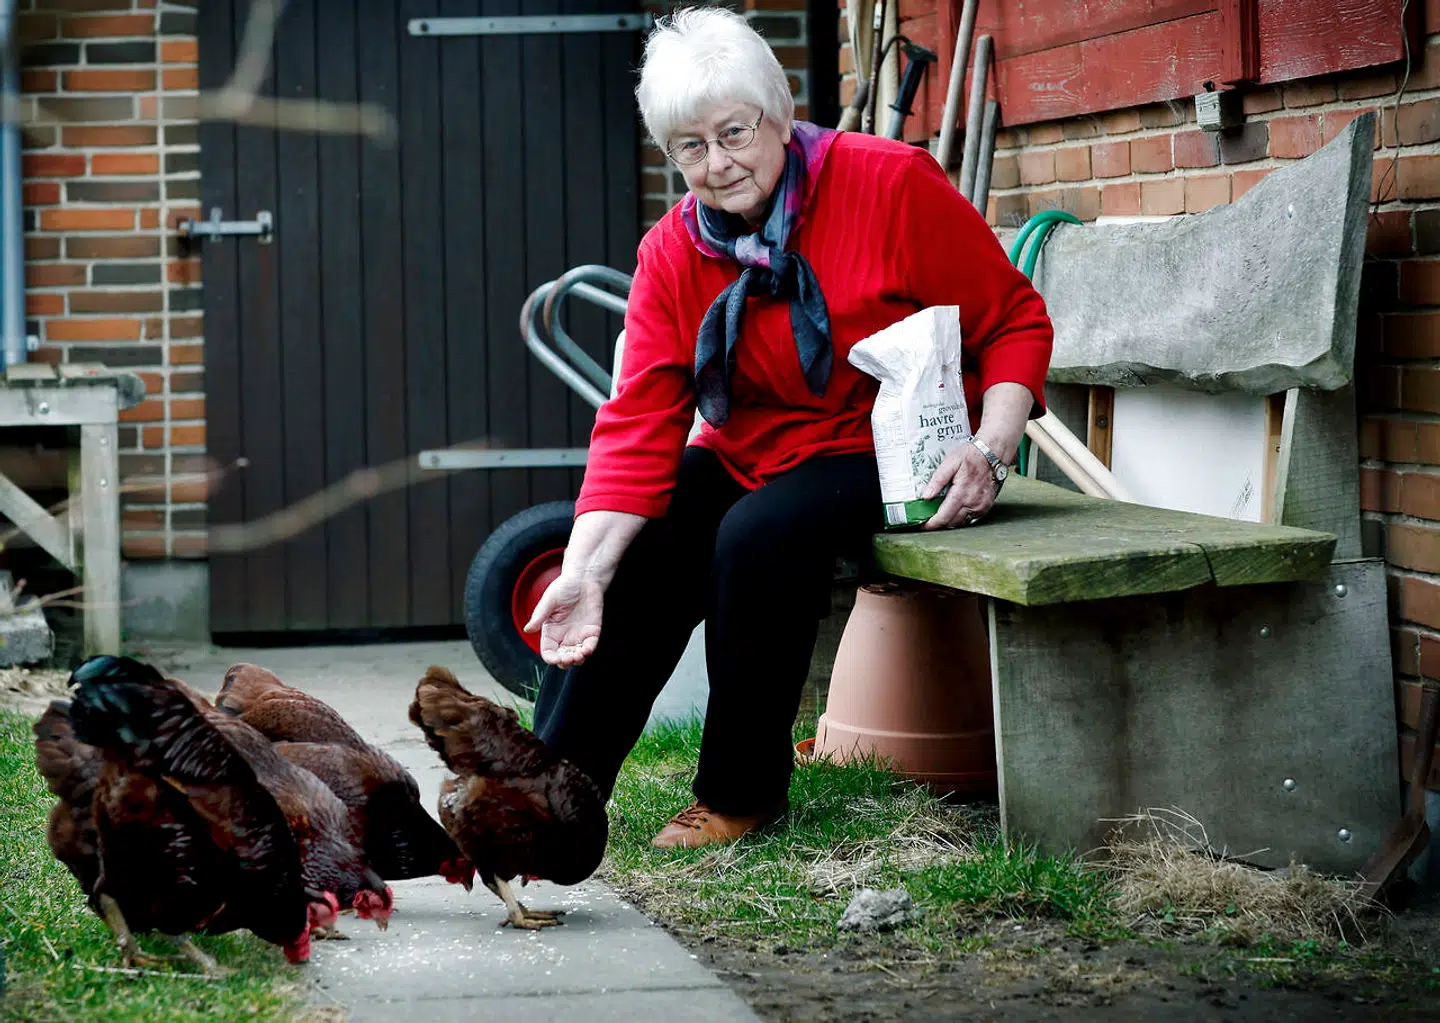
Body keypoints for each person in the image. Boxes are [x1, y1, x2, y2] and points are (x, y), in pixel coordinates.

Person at [525, 7, 1053, 851]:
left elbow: (1013, 319)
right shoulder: (673, 251)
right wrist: (585, 569)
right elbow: (637, 423)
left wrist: (989, 448)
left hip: (886, 446)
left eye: (734, 132)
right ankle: (548, 797)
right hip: (756, 450)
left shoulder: (890, 184)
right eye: (691, 146)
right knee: (649, 533)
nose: (718, 163)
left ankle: (741, 791)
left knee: (759, 532)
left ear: (779, 114)